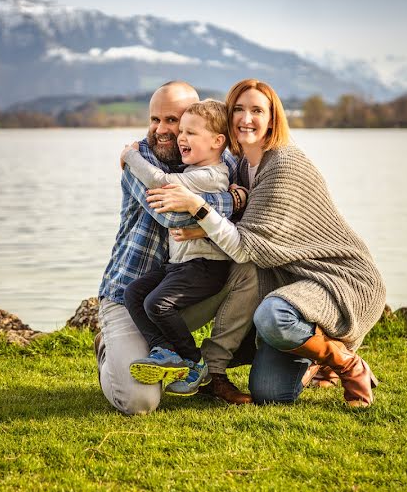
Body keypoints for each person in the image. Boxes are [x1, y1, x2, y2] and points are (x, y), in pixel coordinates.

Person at [146, 78, 387, 407]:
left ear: (273, 118)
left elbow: (246, 245)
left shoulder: (284, 164)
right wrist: (201, 227)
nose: (247, 119)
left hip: (335, 279)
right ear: (228, 118)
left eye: (257, 110)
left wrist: (194, 206)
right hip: (286, 283)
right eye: (239, 110)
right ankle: (313, 358)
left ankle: (346, 363)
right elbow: (254, 230)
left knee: (273, 317)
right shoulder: (243, 164)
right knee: (271, 395)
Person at [97, 81, 260, 415]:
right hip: (129, 296)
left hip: (184, 282)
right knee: (140, 402)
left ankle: (210, 371)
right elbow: (173, 216)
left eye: (173, 121)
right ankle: (110, 348)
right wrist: (233, 199)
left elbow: (241, 204)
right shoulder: (139, 159)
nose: (162, 130)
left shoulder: (220, 158)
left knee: (250, 269)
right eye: (155, 119)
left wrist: (234, 198)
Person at [120, 100, 232, 396]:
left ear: (217, 142)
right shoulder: (194, 168)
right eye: (181, 130)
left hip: (206, 266)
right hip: (181, 265)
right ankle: (164, 350)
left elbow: (162, 181)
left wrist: (130, 155)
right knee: (134, 293)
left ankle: (195, 362)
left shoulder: (211, 175)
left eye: (190, 133)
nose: (181, 137)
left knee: (157, 303)